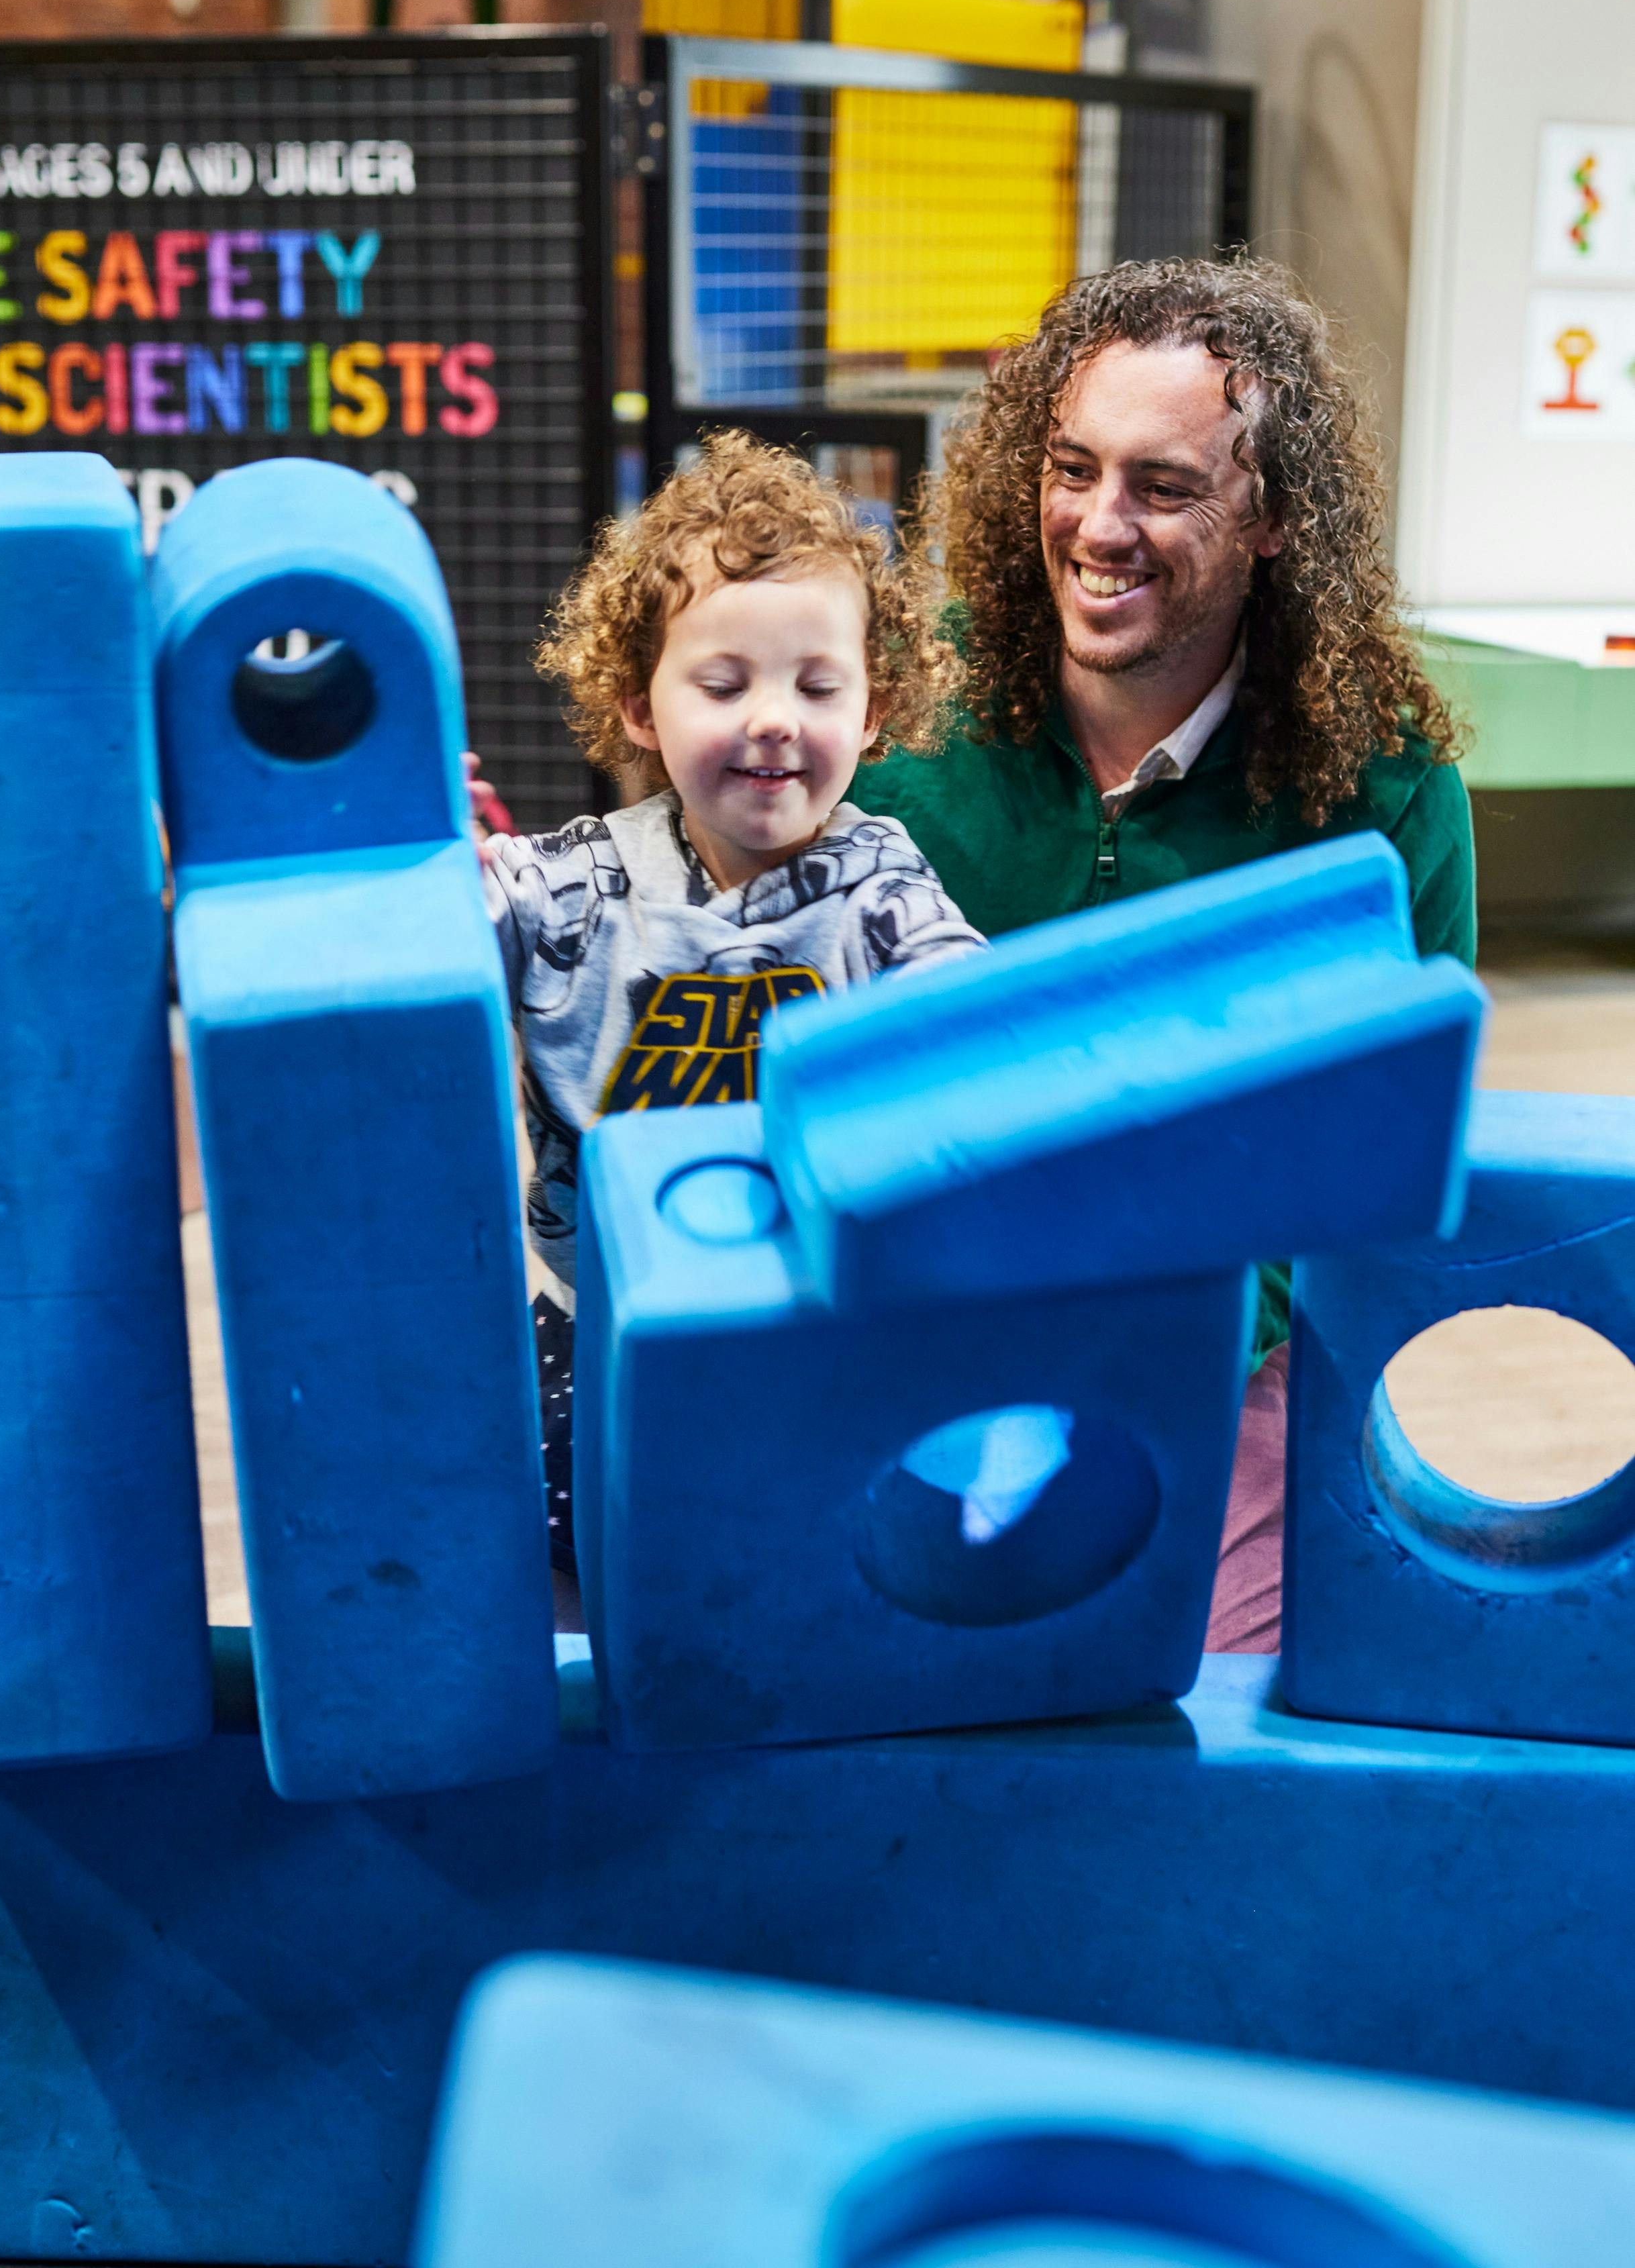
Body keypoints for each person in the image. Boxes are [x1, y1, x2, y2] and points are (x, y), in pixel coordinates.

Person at [849, 254, 1475, 1648]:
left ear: (1270, 519)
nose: (1099, 523)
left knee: (1185, 1692)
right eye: (1071, 468)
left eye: (1164, 485)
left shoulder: (1375, 790)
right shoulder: (900, 716)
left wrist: (1197, 1332)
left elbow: (1389, 1155)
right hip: (916, 1310)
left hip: (1210, 1336)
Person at [485, 432, 985, 1596]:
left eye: (819, 687)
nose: (774, 719)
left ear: (873, 716)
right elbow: (456, 923)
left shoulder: (880, 881)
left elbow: (956, 990)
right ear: (639, 707)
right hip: (597, 1317)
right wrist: (434, 861)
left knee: (833, 1526)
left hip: (818, 1320)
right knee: (530, 1489)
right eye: (723, 684)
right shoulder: (573, 884)